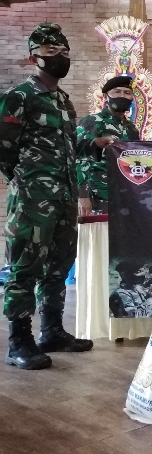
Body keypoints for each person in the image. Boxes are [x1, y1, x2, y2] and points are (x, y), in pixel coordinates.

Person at [0, 23, 94, 370]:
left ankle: (52, 330)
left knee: (58, 265)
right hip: (32, 199)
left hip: (64, 196)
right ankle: (19, 341)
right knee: (24, 267)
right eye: (52, 52)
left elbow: (69, 149)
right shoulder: (19, 96)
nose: (60, 57)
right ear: (33, 58)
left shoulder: (64, 101)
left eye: (64, 52)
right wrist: (25, 181)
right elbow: (4, 148)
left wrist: (96, 146)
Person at [76, 75, 141, 215]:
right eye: (117, 92)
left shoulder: (132, 129)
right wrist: (82, 195)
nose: (122, 96)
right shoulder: (92, 121)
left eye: (127, 92)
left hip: (124, 195)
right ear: (106, 97)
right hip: (96, 195)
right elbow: (79, 158)